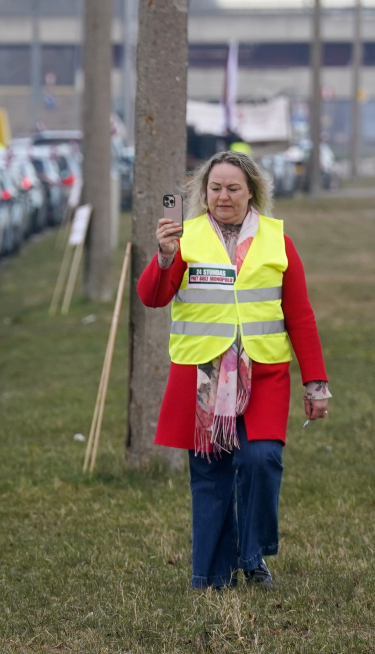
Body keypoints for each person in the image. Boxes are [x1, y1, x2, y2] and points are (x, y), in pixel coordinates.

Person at [138, 150, 330, 590]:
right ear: (203, 193)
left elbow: (299, 315)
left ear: (252, 193)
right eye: (215, 188)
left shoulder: (277, 240)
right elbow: (152, 297)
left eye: (233, 188)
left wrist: (316, 382)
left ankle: (251, 553)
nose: (223, 196)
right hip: (203, 374)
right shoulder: (185, 238)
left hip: (263, 373)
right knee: (211, 473)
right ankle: (211, 576)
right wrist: (165, 257)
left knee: (261, 459)